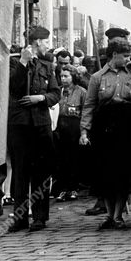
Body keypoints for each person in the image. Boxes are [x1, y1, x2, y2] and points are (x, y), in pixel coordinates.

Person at [80, 37, 131, 230]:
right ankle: (109, 214)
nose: (128, 59)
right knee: (105, 173)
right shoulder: (97, 77)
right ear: (114, 55)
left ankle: (118, 216)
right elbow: (89, 104)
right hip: (104, 128)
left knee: (123, 173)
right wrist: (84, 131)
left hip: (126, 128)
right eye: (125, 56)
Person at [7, 26, 60, 233]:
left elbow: (56, 93)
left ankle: (39, 217)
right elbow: (14, 87)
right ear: (37, 42)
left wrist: (41, 98)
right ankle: (20, 218)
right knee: (21, 173)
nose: (48, 45)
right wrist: (22, 62)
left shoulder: (47, 66)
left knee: (41, 172)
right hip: (19, 124)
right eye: (46, 41)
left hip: (40, 124)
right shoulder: (14, 62)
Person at [54, 65, 86, 202]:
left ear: (73, 77)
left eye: (66, 76)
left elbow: (85, 111)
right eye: (61, 76)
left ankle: (73, 188)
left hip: (74, 127)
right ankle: (62, 188)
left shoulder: (81, 92)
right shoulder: (58, 91)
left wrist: (84, 131)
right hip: (60, 127)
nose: (63, 79)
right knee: (61, 160)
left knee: (74, 159)